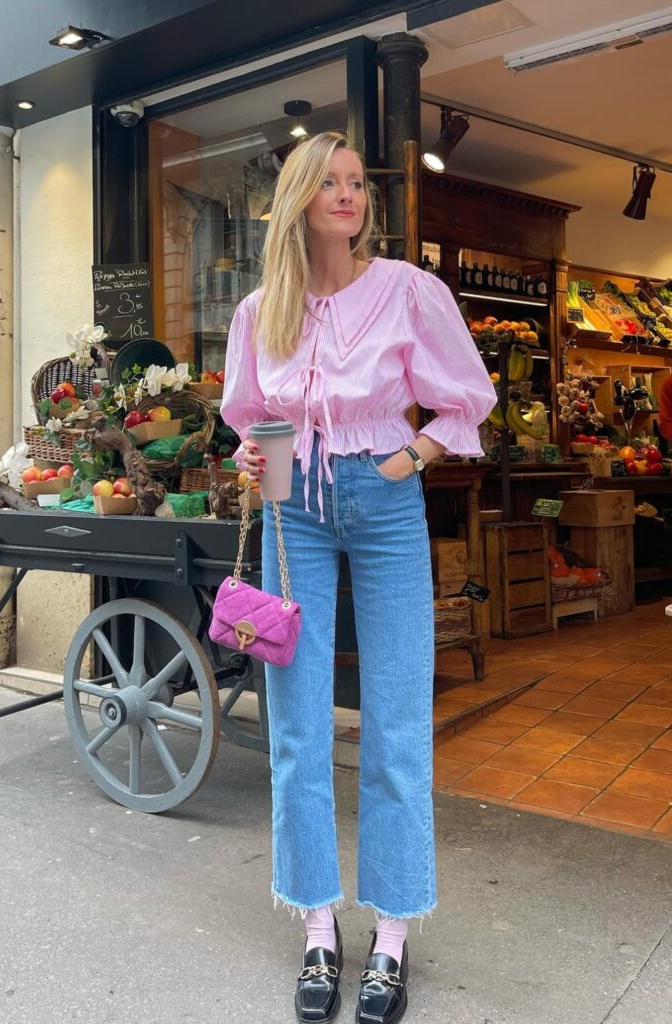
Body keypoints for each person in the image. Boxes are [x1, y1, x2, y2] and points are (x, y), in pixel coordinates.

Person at [220, 131, 495, 1024]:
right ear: (298, 198)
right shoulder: (262, 310)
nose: (348, 196)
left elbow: (463, 399)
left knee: (397, 718)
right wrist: (256, 473)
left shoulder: (409, 292)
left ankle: (391, 935)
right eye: (329, 183)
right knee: (296, 728)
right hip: (293, 511)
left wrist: (410, 457)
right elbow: (250, 417)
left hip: (381, 504)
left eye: (355, 184)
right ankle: (315, 925)